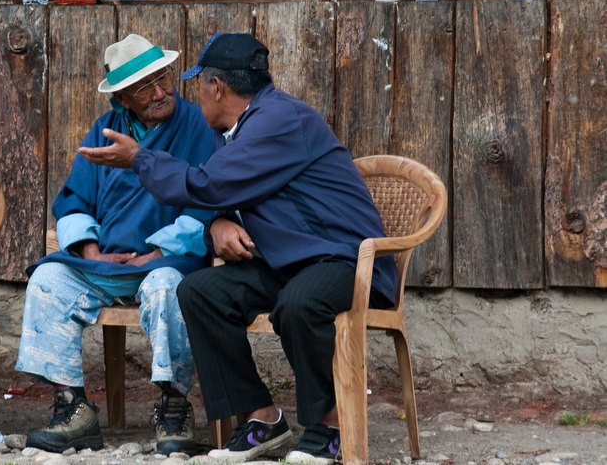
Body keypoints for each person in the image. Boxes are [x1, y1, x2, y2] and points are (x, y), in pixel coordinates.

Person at [78, 33, 397, 465]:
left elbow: (208, 184)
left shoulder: (277, 121)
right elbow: (222, 192)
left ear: (217, 87)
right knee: (201, 291)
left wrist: (139, 158)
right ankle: (262, 418)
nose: (195, 96)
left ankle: (331, 425)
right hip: (290, 261)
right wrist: (220, 222)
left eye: (197, 85)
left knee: (299, 304)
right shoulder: (247, 126)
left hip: (343, 260)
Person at [14, 34, 216, 455]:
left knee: (167, 287)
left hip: (172, 260)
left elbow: (213, 199)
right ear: (122, 98)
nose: (161, 92)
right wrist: (89, 250)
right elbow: (74, 198)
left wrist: (160, 251)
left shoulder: (199, 125)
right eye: (146, 88)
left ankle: (174, 405)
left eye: (163, 79)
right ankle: (74, 409)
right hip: (107, 264)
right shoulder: (104, 131)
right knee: (49, 279)